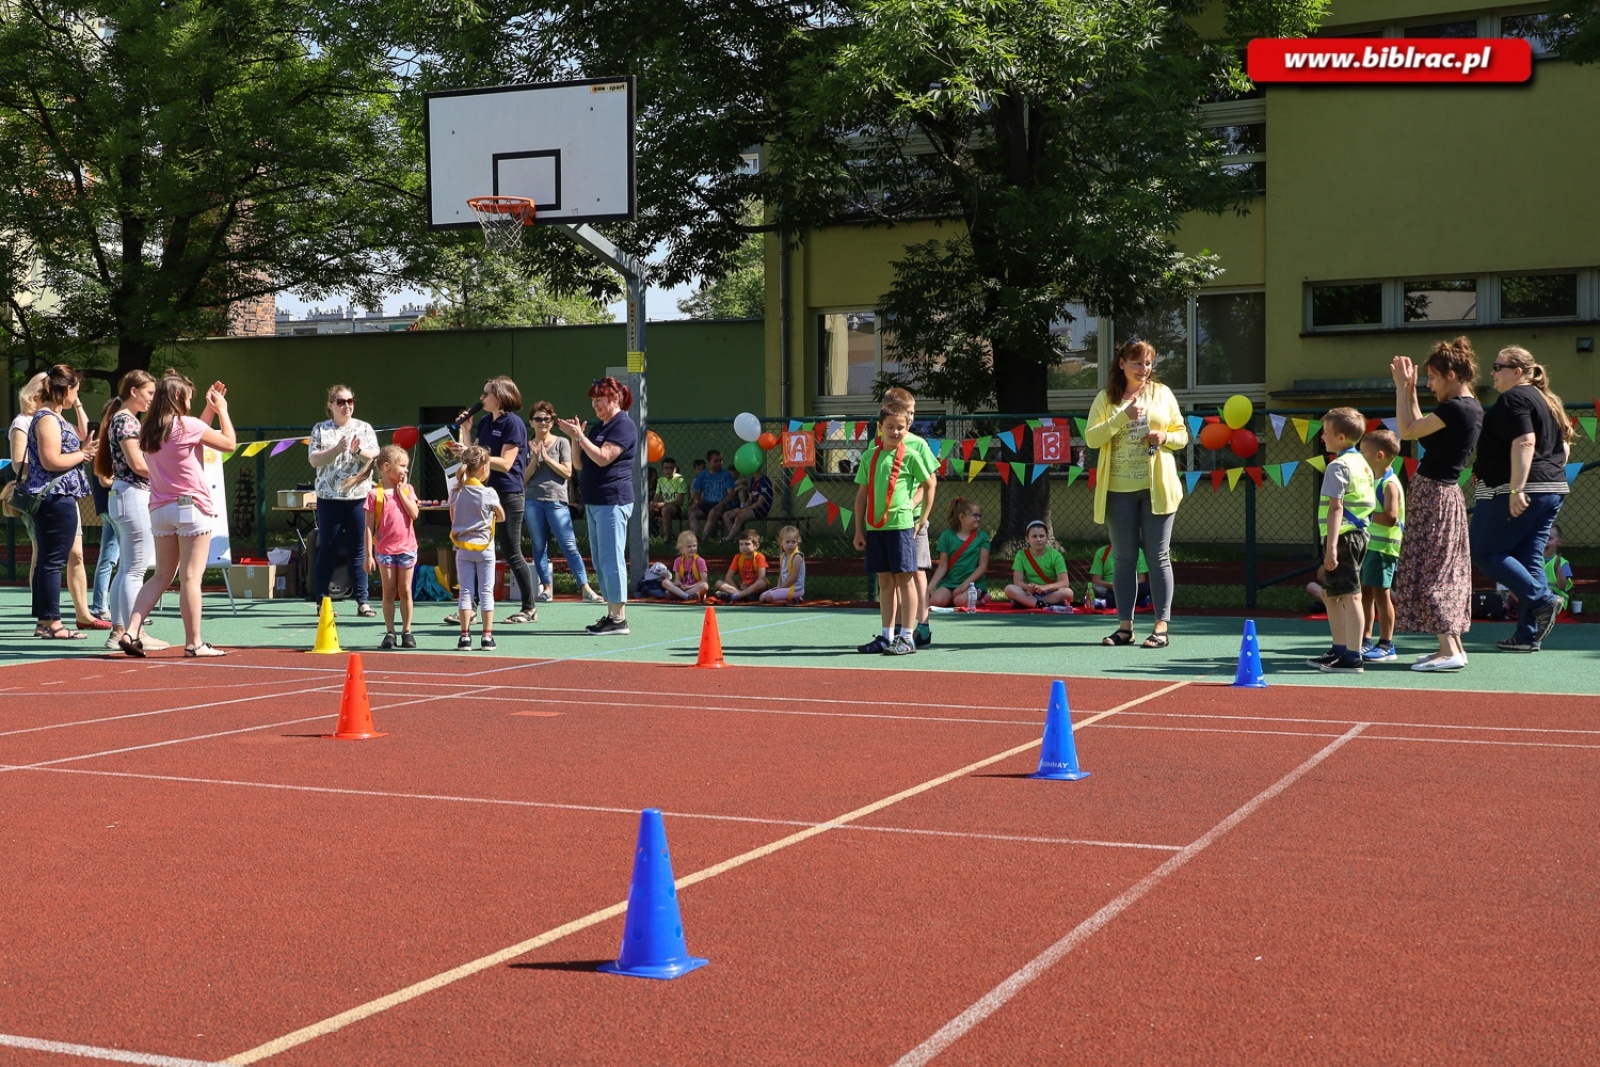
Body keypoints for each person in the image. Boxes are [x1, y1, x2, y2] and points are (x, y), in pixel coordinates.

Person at [120, 374, 236, 657]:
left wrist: (209, 407)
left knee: (161, 575)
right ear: (177, 398)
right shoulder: (187, 425)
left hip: (159, 509)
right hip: (191, 508)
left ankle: (131, 630)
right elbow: (228, 443)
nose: (190, 403)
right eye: (188, 397)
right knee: (191, 578)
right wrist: (222, 410)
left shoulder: (149, 429)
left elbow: (193, 433)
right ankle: (194, 643)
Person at [1084, 340, 1189, 649]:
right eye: (1137, 362)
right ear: (1122, 364)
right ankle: (1125, 627)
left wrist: (1165, 436)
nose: (1144, 369)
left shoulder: (1163, 393)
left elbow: (1182, 435)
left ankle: (1161, 626)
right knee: (1124, 559)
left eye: (1147, 363)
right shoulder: (1105, 398)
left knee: (1158, 557)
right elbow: (1091, 439)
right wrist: (1122, 415)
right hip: (1118, 490)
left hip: (1158, 488)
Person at [1470, 345, 1573, 654]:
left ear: (1517, 372)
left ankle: (1543, 601)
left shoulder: (1515, 398)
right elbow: (1564, 448)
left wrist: (1518, 488)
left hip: (1519, 489)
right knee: (1530, 560)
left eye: (1497, 367)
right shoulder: (1547, 400)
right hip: (1551, 489)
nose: (1492, 372)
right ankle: (1527, 635)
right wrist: (1548, 477)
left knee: (1485, 550)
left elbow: (1526, 441)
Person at [1391, 338, 1483, 672]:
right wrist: (1410, 389)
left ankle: (1450, 650)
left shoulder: (1455, 408)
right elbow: (1417, 426)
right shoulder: (1467, 407)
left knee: (1433, 571)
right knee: (1442, 567)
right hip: (1443, 494)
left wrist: (1402, 387)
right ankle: (1452, 646)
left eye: (1432, 377)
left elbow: (1406, 429)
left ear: (1452, 374)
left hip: (1436, 497)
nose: (1430, 384)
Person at [8, 371, 101, 631]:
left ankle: (44, 621)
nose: (77, 395)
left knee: (49, 561)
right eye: (76, 390)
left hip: (58, 496)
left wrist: (82, 451)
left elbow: (79, 435)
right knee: (52, 562)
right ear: (64, 390)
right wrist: (81, 454)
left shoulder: (53, 416)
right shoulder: (47, 418)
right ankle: (52, 622)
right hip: (55, 496)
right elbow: (51, 461)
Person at [449, 377, 537, 624]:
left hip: (508, 493)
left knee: (511, 550)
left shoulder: (514, 424)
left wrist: (475, 454)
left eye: (486, 393)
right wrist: (466, 433)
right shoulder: (486, 422)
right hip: (482, 492)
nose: (481, 398)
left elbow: (507, 463)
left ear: (499, 397)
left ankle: (529, 608)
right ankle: (471, 609)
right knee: (477, 547)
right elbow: (474, 458)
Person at [853, 399, 936, 654]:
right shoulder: (869, 456)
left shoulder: (911, 454)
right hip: (876, 528)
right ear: (880, 427)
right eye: (890, 427)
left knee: (905, 580)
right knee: (885, 581)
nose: (895, 432)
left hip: (901, 526)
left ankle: (907, 637)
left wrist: (922, 517)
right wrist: (858, 529)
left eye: (900, 427)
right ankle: (886, 636)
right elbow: (861, 495)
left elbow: (929, 485)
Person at [95, 370, 170, 651]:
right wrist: (167, 474)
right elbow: (138, 465)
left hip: (125, 497)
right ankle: (134, 633)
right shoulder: (126, 421)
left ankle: (119, 632)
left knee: (127, 568)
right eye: (150, 393)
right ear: (134, 391)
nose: (153, 399)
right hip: (133, 496)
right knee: (134, 570)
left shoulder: (123, 419)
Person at [559, 376, 638, 636]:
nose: (595, 405)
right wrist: (575, 438)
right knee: (600, 560)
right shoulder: (599, 426)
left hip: (612, 501)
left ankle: (619, 620)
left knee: (611, 559)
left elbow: (604, 458)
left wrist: (581, 437)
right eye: (592, 400)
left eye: (599, 399)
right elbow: (581, 464)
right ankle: (612, 614)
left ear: (615, 398)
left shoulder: (623, 426)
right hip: (594, 502)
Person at [1306, 408, 1375, 675]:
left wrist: (1331, 547)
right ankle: (1340, 649)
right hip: (1355, 534)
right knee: (1331, 594)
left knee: (1349, 596)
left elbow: (1336, 508)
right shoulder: (1362, 463)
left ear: (1342, 437)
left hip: (1344, 535)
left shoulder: (1338, 466)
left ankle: (1352, 656)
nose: (1322, 437)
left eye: (1326, 433)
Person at [522, 399, 602, 604]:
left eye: (547, 419)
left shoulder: (561, 442)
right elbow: (523, 478)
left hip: (556, 501)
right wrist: (534, 459)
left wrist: (546, 458)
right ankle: (546, 588)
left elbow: (567, 472)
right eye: (538, 418)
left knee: (569, 545)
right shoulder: (527, 445)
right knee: (539, 546)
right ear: (531, 422)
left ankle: (585, 588)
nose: (543, 422)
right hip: (532, 501)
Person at [308, 384, 378, 616]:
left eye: (350, 401)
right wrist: (337, 450)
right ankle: (323, 601)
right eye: (341, 402)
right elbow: (314, 460)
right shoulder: (321, 429)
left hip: (358, 497)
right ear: (331, 405)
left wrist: (358, 452)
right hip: (330, 497)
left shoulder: (364, 428)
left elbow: (376, 458)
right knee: (328, 547)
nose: (347, 405)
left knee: (359, 548)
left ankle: (363, 601)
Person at [884, 387, 938, 647]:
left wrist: (911, 507)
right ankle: (893, 629)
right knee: (892, 576)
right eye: (908, 412)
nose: (912, 417)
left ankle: (923, 626)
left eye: (913, 413)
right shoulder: (880, 443)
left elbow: (927, 482)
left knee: (916, 571)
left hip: (913, 520)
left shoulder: (918, 443)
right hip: (887, 522)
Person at [365, 445, 420, 650]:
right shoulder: (374, 494)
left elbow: (414, 514)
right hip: (385, 551)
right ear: (387, 467)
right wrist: (368, 555)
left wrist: (401, 493)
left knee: (405, 590)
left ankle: (407, 631)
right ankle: (390, 631)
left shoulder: (408, 489)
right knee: (388, 591)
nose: (405, 470)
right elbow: (369, 527)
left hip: (406, 548)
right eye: (402, 466)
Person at [449, 445, 503, 650]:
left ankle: (464, 637)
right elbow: (502, 515)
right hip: (485, 547)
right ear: (483, 468)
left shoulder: (456, 490)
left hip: (463, 547)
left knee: (465, 591)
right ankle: (487, 637)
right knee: (486, 591)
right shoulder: (489, 493)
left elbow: (453, 516)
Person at [1358, 429, 1404, 662]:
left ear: (1378, 455)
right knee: (1365, 592)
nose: (1359, 455)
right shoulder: (1373, 480)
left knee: (1381, 595)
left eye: (1363, 451)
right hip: (1370, 545)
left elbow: (1391, 517)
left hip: (1383, 548)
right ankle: (1365, 640)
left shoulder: (1389, 484)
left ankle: (1387, 644)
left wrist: (1363, 514)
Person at [928, 497, 991, 611]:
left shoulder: (982, 536)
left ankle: (983, 597)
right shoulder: (947, 535)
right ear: (962, 517)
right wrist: (929, 588)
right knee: (935, 602)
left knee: (959, 601)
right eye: (974, 515)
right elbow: (943, 566)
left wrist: (965, 584)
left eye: (979, 515)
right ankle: (953, 597)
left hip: (973, 584)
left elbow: (983, 566)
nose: (978, 519)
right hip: (950, 583)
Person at [1004, 520, 1073, 610]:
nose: (1038, 539)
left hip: (1050, 593)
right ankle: (1043, 605)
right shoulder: (1021, 555)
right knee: (1009, 589)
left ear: (1046, 537)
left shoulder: (1056, 555)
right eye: (1034, 536)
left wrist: (1045, 587)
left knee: (1068, 592)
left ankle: (1027, 603)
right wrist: (1029, 587)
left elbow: (1064, 583)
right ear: (1027, 538)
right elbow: (1017, 582)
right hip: (1030, 593)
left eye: (1042, 536)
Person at [88, 435, 117, 624]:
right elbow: (105, 481)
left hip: (110, 507)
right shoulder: (104, 448)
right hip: (112, 507)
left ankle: (100, 605)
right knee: (114, 560)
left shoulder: (106, 447)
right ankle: (102, 606)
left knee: (107, 558)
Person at [688, 449, 736, 541]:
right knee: (692, 512)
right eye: (716, 461)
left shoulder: (726, 475)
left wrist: (719, 505)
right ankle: (694, 537)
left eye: (721, 460)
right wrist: (696, 503)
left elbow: (731, 494)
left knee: (712, 513)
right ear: (709, 462)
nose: (719, 463)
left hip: (724, 504)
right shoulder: (703, 475)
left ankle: (703, 540)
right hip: (707, 503)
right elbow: (697, 492)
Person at [1088, 543, 1148, 611]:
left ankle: (1105, 603)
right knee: (1093, 588)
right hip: (1110, 589)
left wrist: (1126, 586)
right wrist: (1111, 585)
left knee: (1147, 587)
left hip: (1130, 588)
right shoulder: (1101, 552)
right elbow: (1096, 580)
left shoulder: (1138, 552)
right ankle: (1137, 601)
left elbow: (1142, 579)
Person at [716, 528, 769, 602]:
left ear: (756, 546)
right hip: (742, 589)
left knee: (762, 583)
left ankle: (735, 596)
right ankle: (740, 595)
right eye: (741, 544)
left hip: (756, 589)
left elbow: (761, 578)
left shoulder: (759, 557)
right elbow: (728, 578)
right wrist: (738, 590)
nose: (743, 547)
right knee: (718, 583)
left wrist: (749, 587)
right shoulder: (737, 557)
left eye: (747, 544)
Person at [721, 468, 774, 537]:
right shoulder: (753, 480)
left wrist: (745, 509)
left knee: (739, 517)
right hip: (751, 507)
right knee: (726, 515)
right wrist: (743, 508)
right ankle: (737, 539)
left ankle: (728, 539)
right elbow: (751, 498)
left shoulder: (764, 480)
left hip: (760, 510)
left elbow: (760, 503)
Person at [760, 525, 807, 604]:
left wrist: (782, 587)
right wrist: (779, 586)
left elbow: (794, 577)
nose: (790, 544)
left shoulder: (797, 557)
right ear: (781, 542)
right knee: (761, 597)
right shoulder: (783, 555)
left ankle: (793, 600)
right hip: (785, 587)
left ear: (797, 542)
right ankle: (791, 600)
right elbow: (781, 573)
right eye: (787, 542)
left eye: (793, 542)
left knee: (769, 597)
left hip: (795, 589)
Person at [662, 530, 710, 601]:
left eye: (694, 546)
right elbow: (677, 580)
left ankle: (678, 596)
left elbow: (704, 581)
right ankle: (686, 596)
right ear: (681, 549)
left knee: (705, 586)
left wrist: (689, 587)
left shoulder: (700, 561)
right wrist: (679, 584)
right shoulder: (677, 561)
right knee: (665, 582)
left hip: (694, 588)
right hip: (682, 589)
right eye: (689, 546)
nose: (692, 549)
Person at [651, 456, 686, 537]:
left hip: (679, 508)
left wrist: (662, 504)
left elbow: (679, 501)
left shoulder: (680, 480)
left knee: (666, 510)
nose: (668, 470)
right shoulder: (660, 480)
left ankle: (667, 538)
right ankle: (650, 536)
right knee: (647, 509)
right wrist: (653, 504)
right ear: (662, 469)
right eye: (666, 468)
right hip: (664, 505)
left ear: (675, 469)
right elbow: (656, 498)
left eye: (671, 468)